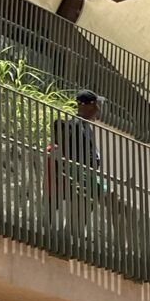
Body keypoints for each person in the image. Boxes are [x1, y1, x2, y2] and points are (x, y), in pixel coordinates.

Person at [47, 88, 108, 241]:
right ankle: (74, 232)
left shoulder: (85, 127)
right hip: (77, 174)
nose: (98, 110)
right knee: (98, 193)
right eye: (96, 105)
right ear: (88, 105)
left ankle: (75, 231)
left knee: (96, 194)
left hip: (83, 174)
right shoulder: (74, 125)